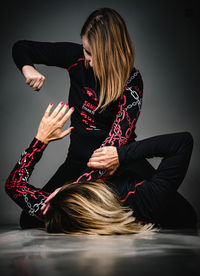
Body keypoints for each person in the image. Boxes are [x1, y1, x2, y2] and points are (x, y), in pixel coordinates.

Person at [12, 7, 196, 229]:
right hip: (78, 162)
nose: (86, 59)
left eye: (91, 53)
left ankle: (114, 218)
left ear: (110, 53)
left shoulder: (132, 80)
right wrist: (27, 68)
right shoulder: (77, 58)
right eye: (84, 50)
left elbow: (112, 148)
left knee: (184, 216)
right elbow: (22, 47)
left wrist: (71, 193)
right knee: (31, 218)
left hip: (118, 161)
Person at [5, 103, 197, 234]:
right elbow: (182, 142)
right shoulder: (146, 200)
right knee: (186, 216)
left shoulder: (63, 214)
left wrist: (41, 139)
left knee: (27, 219)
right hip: (175, 212)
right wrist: (121, 155)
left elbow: (13, 186)